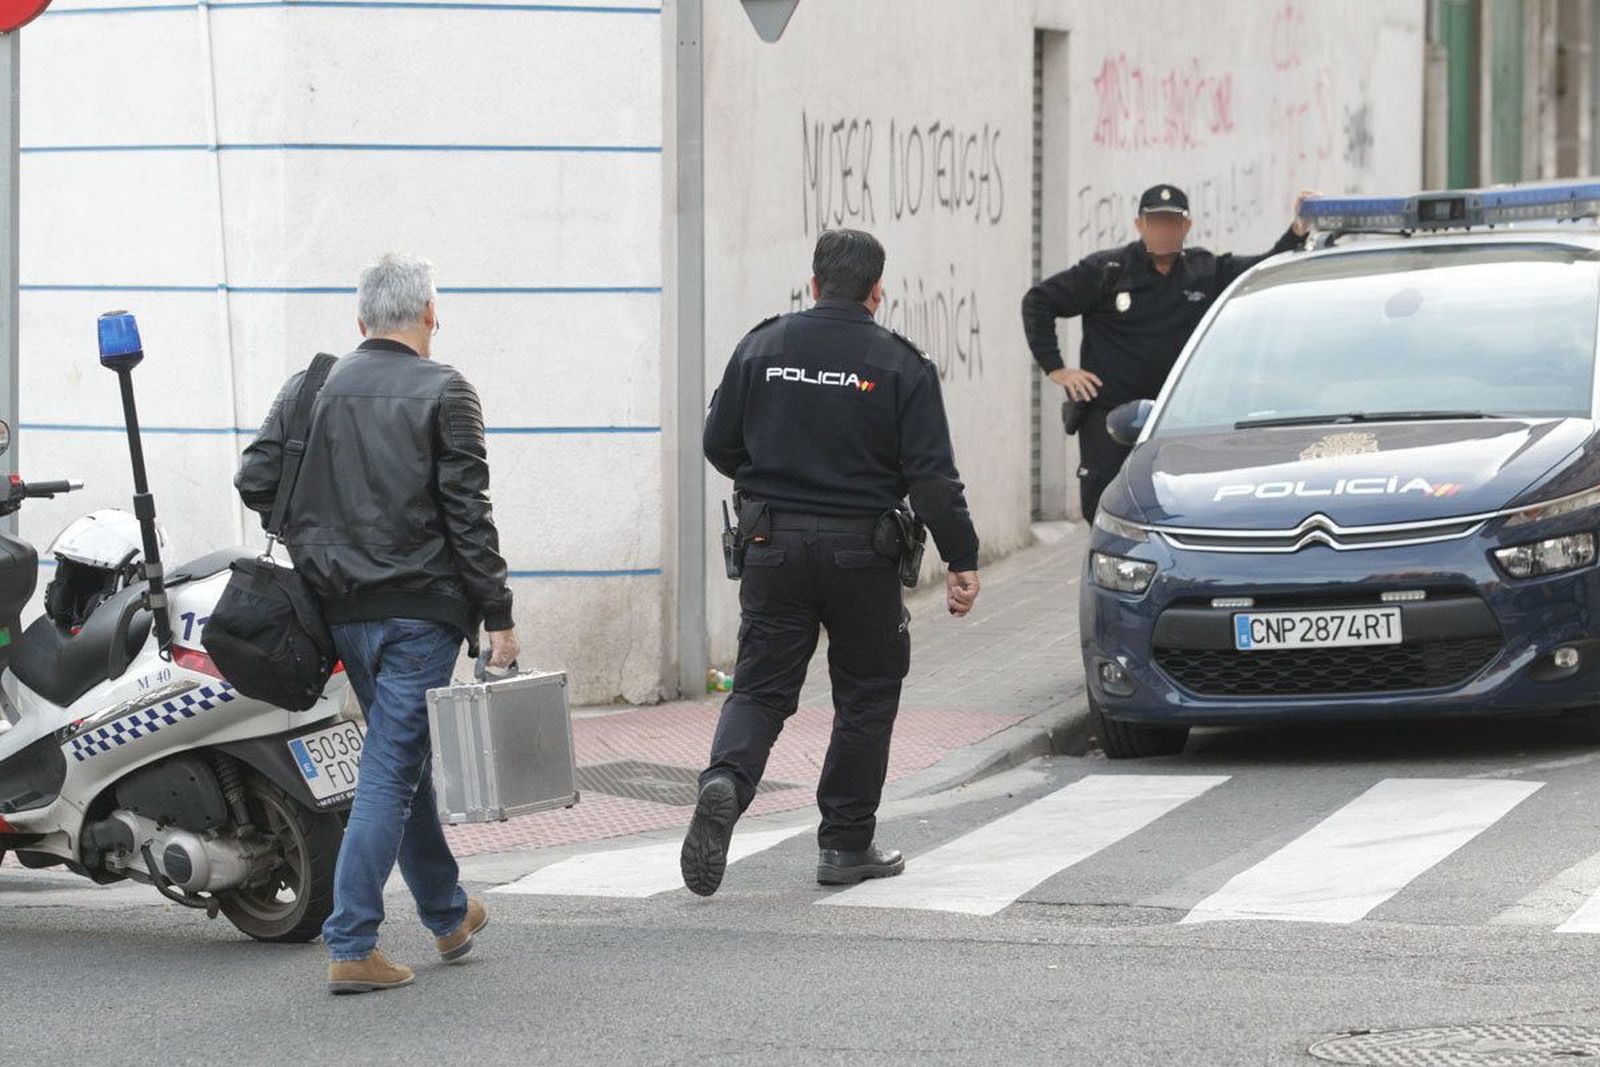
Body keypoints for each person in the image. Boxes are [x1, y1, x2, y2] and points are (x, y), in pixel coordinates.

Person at [236, 252, 521, 995]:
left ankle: (446, 912)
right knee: (392, 766)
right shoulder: (446, 390)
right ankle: (352, 939)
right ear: (431, 314)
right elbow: (469, 516)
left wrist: (313, 535)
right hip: (421, 614)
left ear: (361, 321)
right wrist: (500, 617)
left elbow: (255, 478)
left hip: (340, 612)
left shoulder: (313, 384)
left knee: (404, 755)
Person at [681, 228, 981, 897]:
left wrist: (774, 478)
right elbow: (932, 480)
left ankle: (727, 778)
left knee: (759, 686)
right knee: (867, 694)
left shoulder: (763, 346)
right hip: (860, 552)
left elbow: (718, 443)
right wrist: (962, 557)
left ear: (812, 283)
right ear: (878, 292)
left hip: (772, 546)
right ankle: (846, 844)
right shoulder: (901, 364)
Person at [1022, 184, 1313, 519]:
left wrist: (1297, 231)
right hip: (1109, 416)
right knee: (1101, 508)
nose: (1164, 230)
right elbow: (1038, 301)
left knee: (1178, 507)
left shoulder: (1203, 271)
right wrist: (1056, 368)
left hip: (1174, 420)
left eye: (1172, 223)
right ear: (1140, 225)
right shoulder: (1109, 271)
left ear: (1186, 227)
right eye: (1155, 222)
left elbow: (1261, 270)